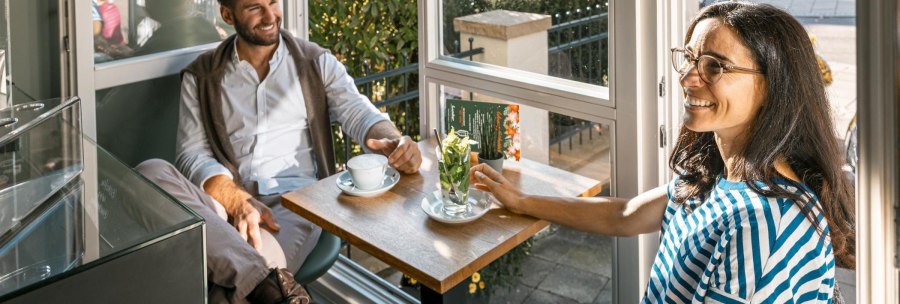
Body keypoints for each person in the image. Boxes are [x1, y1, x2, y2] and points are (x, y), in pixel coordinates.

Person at [470, 2, 854, 303]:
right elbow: (624, 214)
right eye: (689, 59)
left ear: (774, 87)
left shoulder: (768, 227)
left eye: (714, 67)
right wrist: (521, 201)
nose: (687, 78)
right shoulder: (719, 173)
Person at [136, 0, 423, 302]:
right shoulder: (202, 75)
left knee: (226, 291)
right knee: (149, 173)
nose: (269, 15)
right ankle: (271, 287)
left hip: (294, 206)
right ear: (227, 14)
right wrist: (236, 201)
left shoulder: (315, 62)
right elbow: (191, 154)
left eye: (273, 2)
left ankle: (265, 285)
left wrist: (393, 140)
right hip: (223, 204)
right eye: (254, 7)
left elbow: (359, 112)